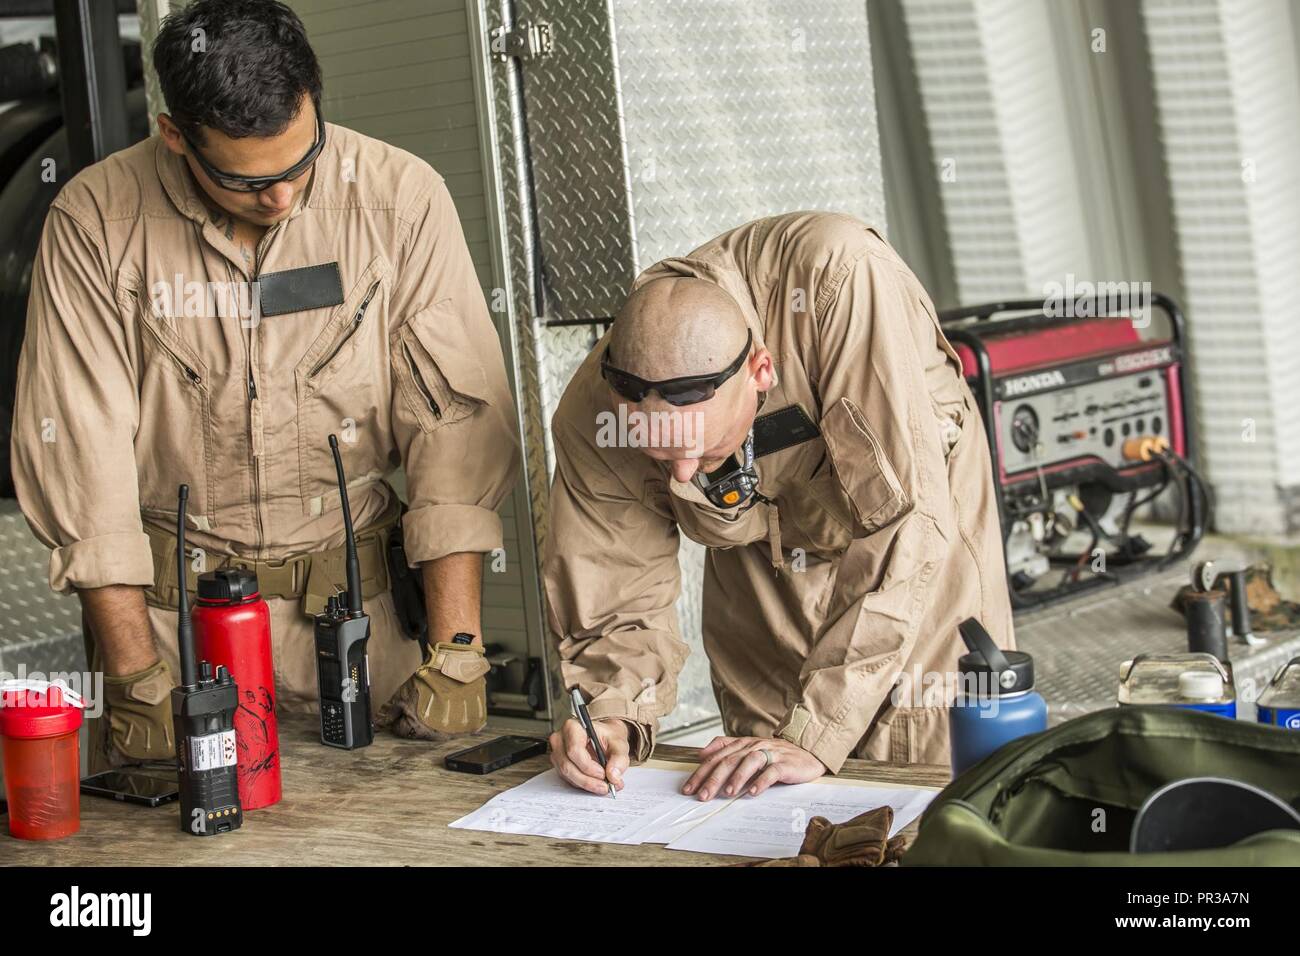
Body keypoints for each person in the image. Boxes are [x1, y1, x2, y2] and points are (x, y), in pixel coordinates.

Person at [11, 0, 519, 770]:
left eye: (299, 162)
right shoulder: (97, 223)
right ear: (174, 134)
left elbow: (454, 431)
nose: (282, 197)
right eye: (246, 181)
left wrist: (457, 649)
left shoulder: (400, 199)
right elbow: (82, 458)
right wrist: (135, 677)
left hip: (362, 629)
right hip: (176, 642)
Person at [544, 211, 1013, 800]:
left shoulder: (840, 280)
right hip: (759, 545)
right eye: (663, 462)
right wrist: (613, 712)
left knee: (918, 753)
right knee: (758, 771)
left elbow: (901, 525)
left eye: (701, 451)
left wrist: (817, 732)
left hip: (915, 519)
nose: (684, 477)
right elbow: (612, 586)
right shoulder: (595, 414)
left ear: (762, 370)